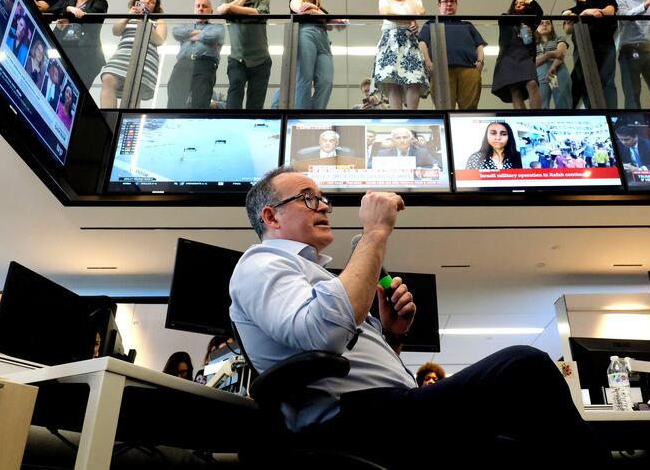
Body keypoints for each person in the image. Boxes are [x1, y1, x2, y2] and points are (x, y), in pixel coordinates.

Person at [229, 166, 607, 466]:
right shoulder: (262, 262)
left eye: (323, 198)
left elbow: (340, 356)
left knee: (516, 453)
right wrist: (375, 232)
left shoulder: (316, 276)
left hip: (385, 410)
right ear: (270, 216)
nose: (325, 206)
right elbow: (322, 336)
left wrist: (391, 338)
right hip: (354, 421)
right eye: (309, 199)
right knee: (523, 367)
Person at [418, 0, 487, 109]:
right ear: (439, 5)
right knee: (445, 109)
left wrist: (480, 62)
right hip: (441, 70)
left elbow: (479, 45)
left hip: (469, 69)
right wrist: (428, 62)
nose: (449, 4)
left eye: (452, 1)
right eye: (445, 2)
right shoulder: (431, 24)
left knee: (469, 109)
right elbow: (422, 43)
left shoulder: (467, 25)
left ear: (456, 4)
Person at [371, 0, 428, 110]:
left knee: (413, 80)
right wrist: (409, 21)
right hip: (390, 41)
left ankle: (412, 115)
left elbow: (420, 11)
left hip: (409, 41)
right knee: (392, 82)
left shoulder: (414, 0)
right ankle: (397, 116)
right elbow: (386, 13)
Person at [99, 0, 166, 109]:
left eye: (152, 2)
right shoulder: (129, 15)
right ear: (138, 0)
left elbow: (160, 39)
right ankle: (108, 119)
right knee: (108, 78)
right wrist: (128, 16)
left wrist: (144, 20)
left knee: (134, 93)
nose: (148, 2)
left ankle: (126, 123)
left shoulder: (158, 20)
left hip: (145, 59)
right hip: (122, 55)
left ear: (155, 7)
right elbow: (116, 31)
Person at [217, 0, 271, 110]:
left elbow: (261, 13)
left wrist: (232, 9)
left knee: (256, 104)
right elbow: (222, 10)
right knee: (234, 97)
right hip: (237, 59)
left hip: (261, 60)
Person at [562, 0, 617, 108]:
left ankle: (610, 115)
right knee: (586, 83)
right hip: (582, 50)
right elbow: (567, 29)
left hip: (604, 45)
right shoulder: (571, 10)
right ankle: (594, 113)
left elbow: (610, 11)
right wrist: (586, 13)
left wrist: (597, 12)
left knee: (607, 81)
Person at [290, 0, 344, 110]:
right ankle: (301, 113)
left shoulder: (322, 9)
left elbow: (334, 26)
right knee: (305, 77)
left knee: (326, 81)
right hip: (306, 34)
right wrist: (324, 16)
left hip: (324, 40)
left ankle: (316, 114)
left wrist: (315, 10)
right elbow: (301, 9)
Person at [48, 0, 108, 89]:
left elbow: (93, 15)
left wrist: (67, 16)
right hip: (62, 50)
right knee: (56, 86)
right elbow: (50, 13)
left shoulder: (100, 3)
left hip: (86, 56)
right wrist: (68, 8)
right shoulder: (66, 1)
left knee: (75, 89)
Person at [167, 0, 225, 109]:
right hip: (183, 64)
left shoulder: (218, 27)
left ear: (211, 11)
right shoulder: (185, 25)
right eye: (198, 6)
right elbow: (176, 32)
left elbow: (215, 35)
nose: (201, 9)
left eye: (204, 6)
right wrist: (203, 34)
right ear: (194, 9)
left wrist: (189, 35)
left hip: (205, 65)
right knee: (175, 99)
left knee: (201, 101)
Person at [491, 0, 542, 109]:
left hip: (525, 56)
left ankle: (537, 116)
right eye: (516, 3)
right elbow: (506, 20)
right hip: (508, 56)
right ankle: (523, 118)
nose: (518, 5)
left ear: (527, 7)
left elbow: (539, 13)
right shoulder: (505, 18)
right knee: (515, 89)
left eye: (522, 3)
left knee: (532, 83)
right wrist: (523, 22)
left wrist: (531, 1)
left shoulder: (531, 23)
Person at [535, 19, 572, 109]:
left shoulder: (558, 38)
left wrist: (553, 67)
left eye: (548, 23)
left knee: (562, 100)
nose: (545, 25)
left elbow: (561, 53)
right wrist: (550, 54)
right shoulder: (533, 44)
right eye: (541, 23)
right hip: (540, 74)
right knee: (541, 104)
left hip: (557, 70)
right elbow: (533, 62)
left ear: (552, 27)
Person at [375, 127, 441, 168]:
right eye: (398, 138)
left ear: (411, 139)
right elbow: (371, 167)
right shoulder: (383, 153)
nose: (402, 140)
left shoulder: (422, 152)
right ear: (393, 140)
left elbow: (438, 166)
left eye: (405, 137)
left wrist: (418, 171)